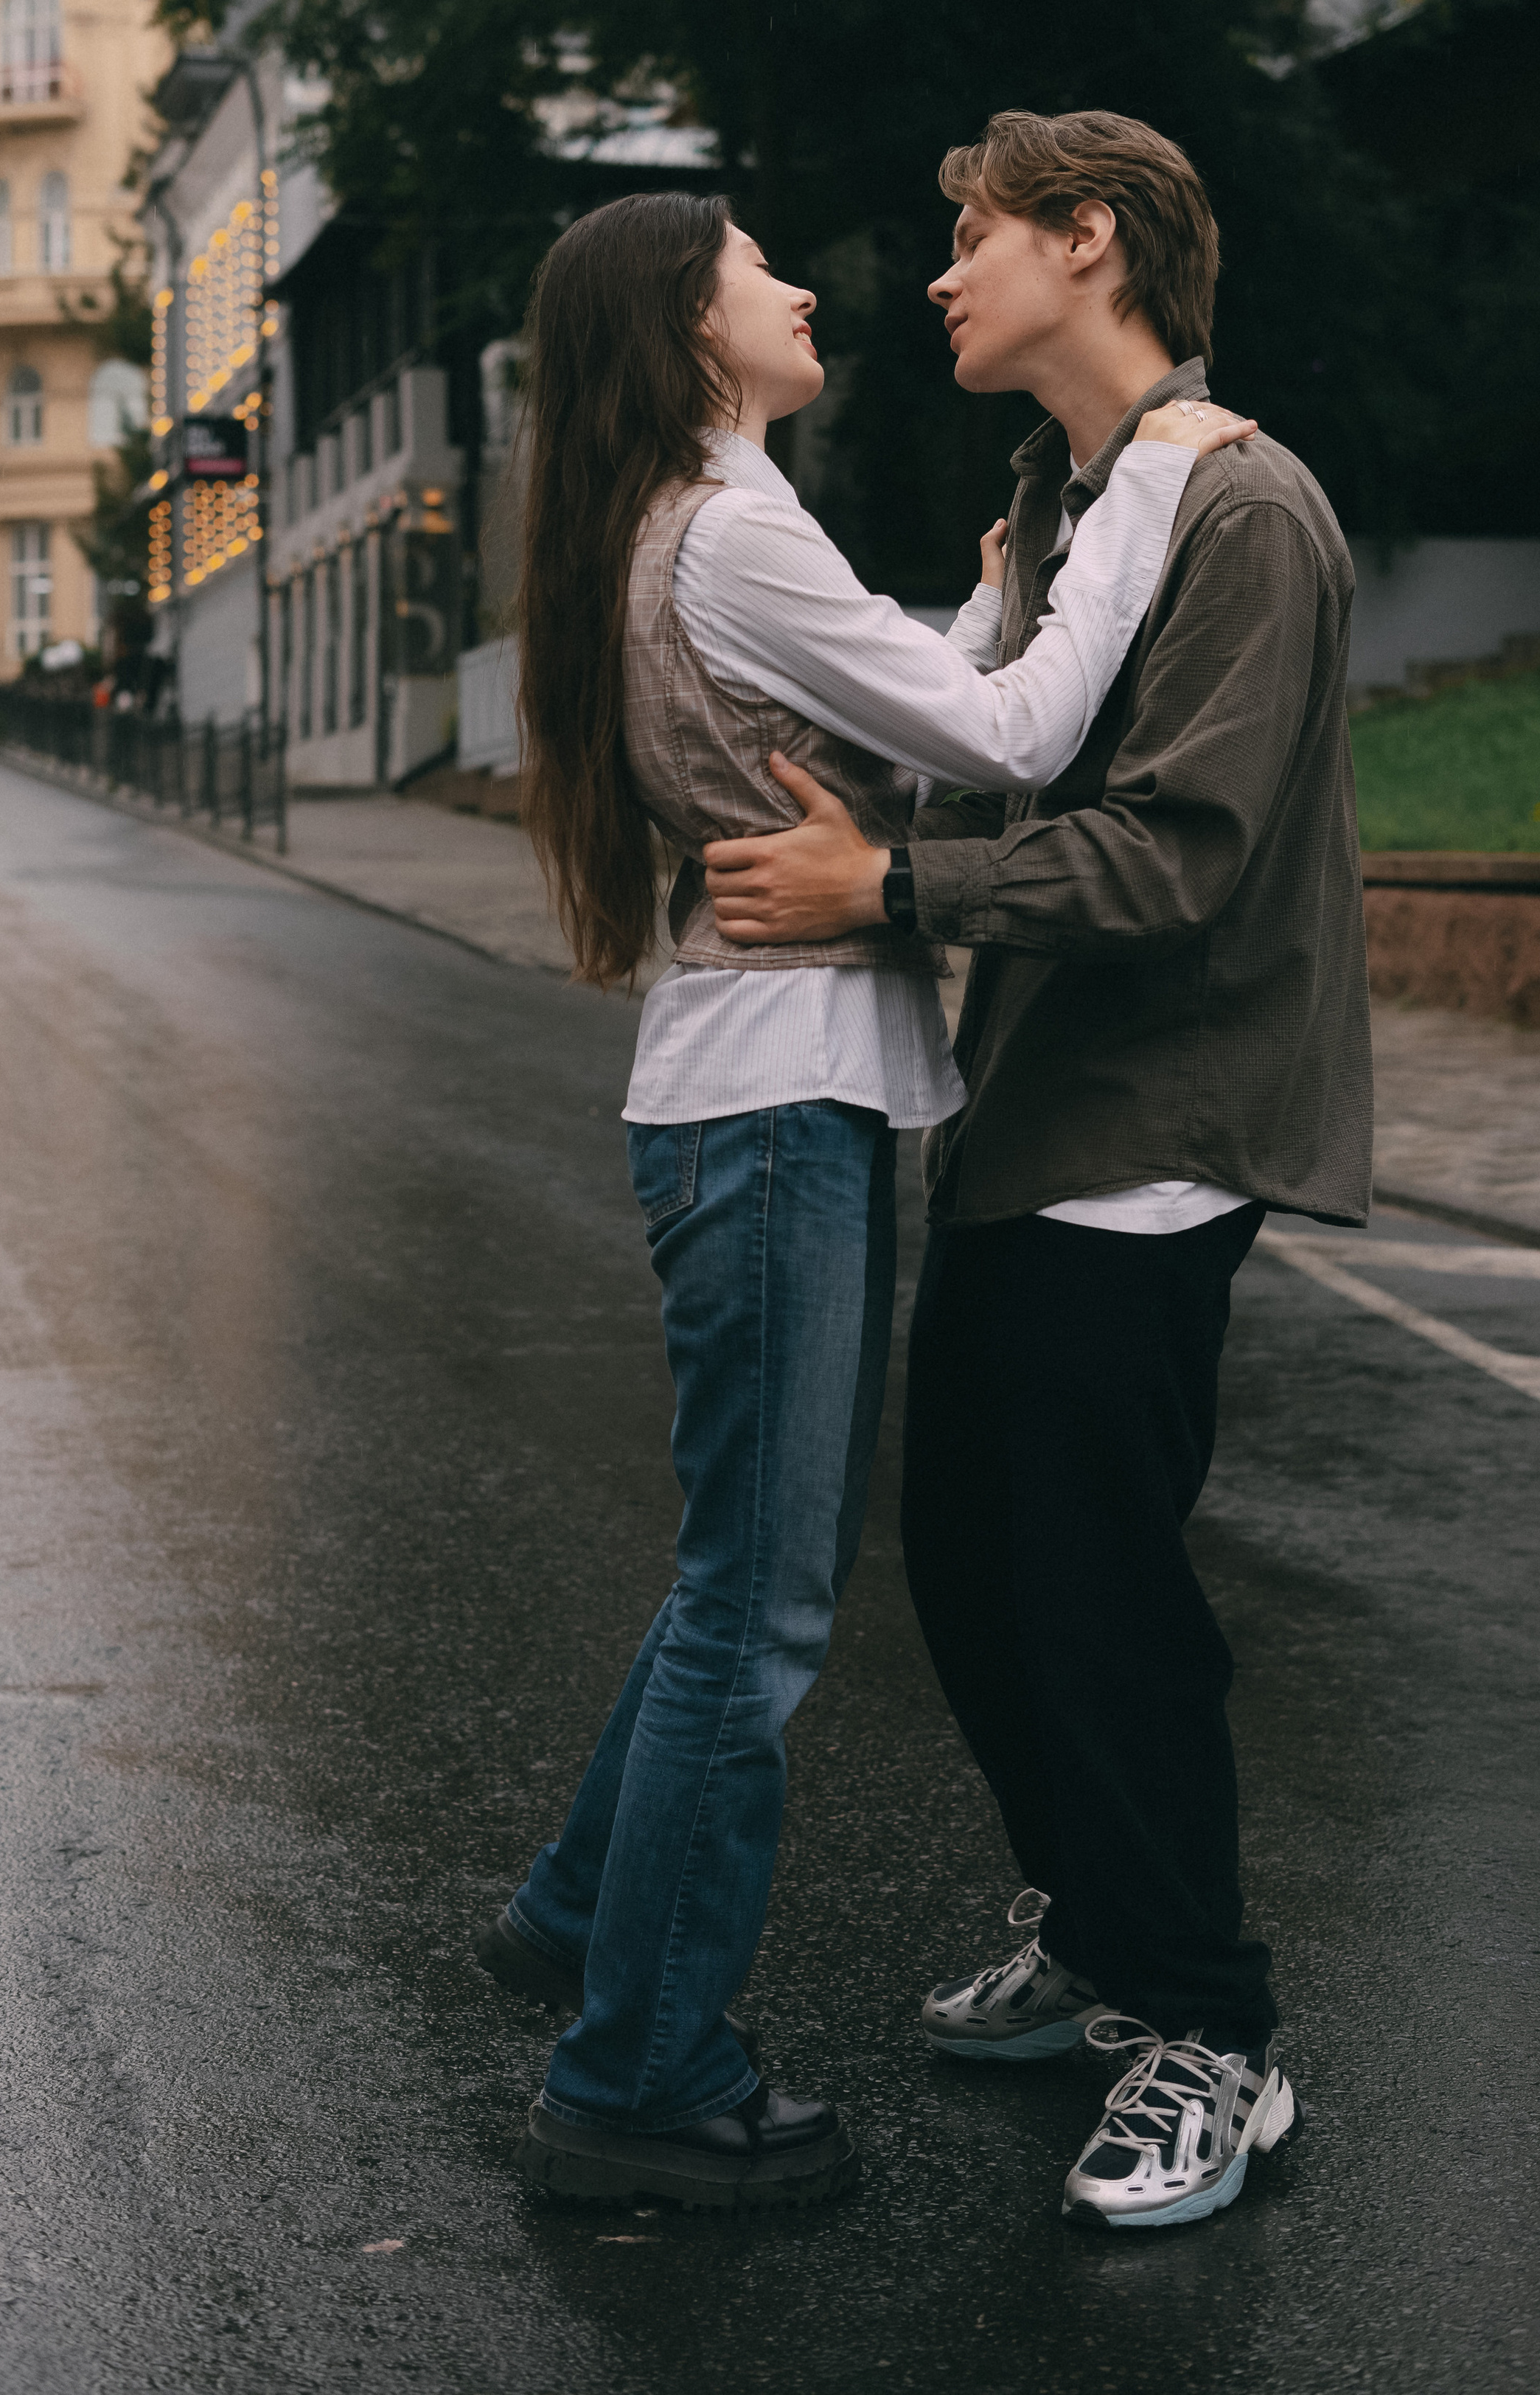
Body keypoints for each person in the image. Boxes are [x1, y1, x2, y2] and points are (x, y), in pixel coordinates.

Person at [482, 187, 1257, 2213]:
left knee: (742, 1570)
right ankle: (638, 2069)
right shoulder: (728, 522)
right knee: (762, 1608)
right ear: (686, 322)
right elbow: (1011, 736)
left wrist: (996, 598)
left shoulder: (689, 519)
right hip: (770, 1110)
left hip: (756, 1099)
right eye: (757, 267)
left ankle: (587, 1917)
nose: (805, 285)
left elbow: (893, 724)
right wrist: (1149, 492)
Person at [703, 109, 1372, 2232]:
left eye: (976, 235)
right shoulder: (1069, 504)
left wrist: (885, 887)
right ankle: (1100, 1935)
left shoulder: (1241, 510)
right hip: (1042, 1110)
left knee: (1095, 1592)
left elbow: (1181, 854)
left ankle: (1212, 2031)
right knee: (980, 1572)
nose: (939, 272)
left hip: (1166, 1114)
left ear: (1090, 246)